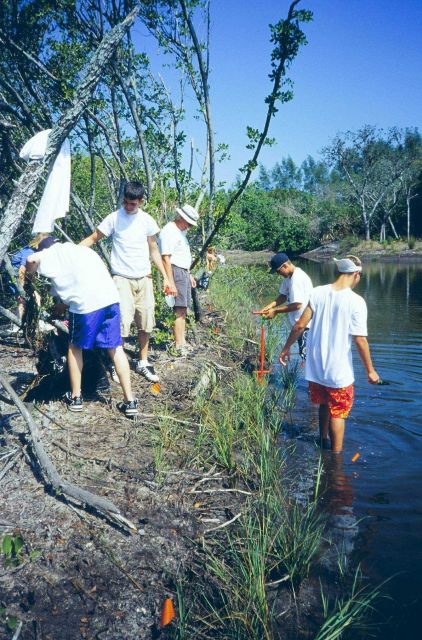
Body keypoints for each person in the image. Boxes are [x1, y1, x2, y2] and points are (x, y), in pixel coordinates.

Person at [26, 239, 138, 417]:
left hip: (86, 306)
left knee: (74, 347)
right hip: (110, 299)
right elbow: (81, 281)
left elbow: (31, 260)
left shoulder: (50, 252)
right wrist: (62, 305)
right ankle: (130, 401)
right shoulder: (80, 251)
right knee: (115, 347)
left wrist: (29, 280)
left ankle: (76, 398)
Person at [279, 255, 380, 453]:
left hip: (315, 367)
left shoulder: (317, 293)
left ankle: (323, 439)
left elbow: (300, 325)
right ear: (356, 275)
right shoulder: (356, 301)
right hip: (338, 370)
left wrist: (285, 349)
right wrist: (370, 371)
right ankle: (336, 457)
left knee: (325, 404)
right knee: (339, 412)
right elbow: (360, 340)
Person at [80, 181, 174, 383]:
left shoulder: (147, 221)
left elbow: (154, 250)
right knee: (121, 324)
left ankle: (143, 361)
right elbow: (94, 237)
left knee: (146, 322)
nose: (128, 207)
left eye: (133, 204)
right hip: (121, 279)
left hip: (144, 279)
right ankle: (117, 364)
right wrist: (73, 251)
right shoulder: (114, 218)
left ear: (140, 202)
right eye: (126, 202)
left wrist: (166, 277)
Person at [159, 204, 199, 356]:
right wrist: (171, 282)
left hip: (183, 271)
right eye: (188, 223)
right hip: (175, 272)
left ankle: (182, 342)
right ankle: (178, 345)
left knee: (183, 309)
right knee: (179, 309)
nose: (189, 226)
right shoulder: (169, 231)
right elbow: (166, 258)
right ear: (181, 218)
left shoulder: (181, 232)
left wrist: (188, 274)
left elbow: (181, 255)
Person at [258, 252, 313, 359]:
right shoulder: (289, 279)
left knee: (308, 358)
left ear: (285, 266)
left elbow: (297, 305)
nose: (279, 274)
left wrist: (275, 311)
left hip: (306, 327)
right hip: (300, 326)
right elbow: (283, 296)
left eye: (278, 271)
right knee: (306, 357)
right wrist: (270, 306)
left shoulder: (297, 279)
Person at [1, 233, 49, 329]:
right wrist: (21, 287)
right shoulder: (30, 252)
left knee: (36, 297)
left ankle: (37, 321)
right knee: (21, 299)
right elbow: (22, 270)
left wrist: (35, 289)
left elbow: (31, 273)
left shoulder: (33, 252)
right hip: (11, 275)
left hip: (16, 275)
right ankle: (16, 324)